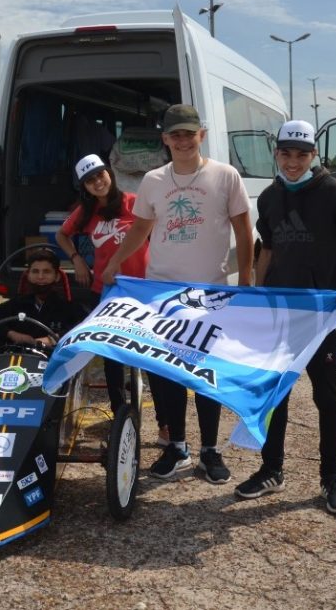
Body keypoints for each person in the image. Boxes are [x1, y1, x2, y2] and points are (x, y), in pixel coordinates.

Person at [102, 105, 253, 483]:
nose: (183, 141)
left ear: (201, 135)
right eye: (176, 135)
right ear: (165, 140)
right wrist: (116, 262)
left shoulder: (225, 175)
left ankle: (210, 451)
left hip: (210, 293)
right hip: (163, 292)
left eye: (190, 133)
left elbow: (244, 230)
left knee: (205, 374)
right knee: (167, 373)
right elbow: (140, 230)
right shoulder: (153, 180)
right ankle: (177, 448)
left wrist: (247, 278)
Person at [233, 119, 336, 516]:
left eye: (302, 154)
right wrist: (259, 294)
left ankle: (333, 480)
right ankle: (271, 469)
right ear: (277, 153)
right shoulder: (270, 197)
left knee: (327, 396)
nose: (293, 162)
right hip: (280, 313)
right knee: (275, 393)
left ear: (314, 155)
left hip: (321, 316)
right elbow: (269, 249)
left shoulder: (334, 192)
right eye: (286, 154)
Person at [56, 154, 150, 415]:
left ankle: (165, 422)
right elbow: (62, 234)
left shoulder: (134, 202)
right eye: (89, 180)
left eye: (100, 175)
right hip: (108, 290)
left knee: (147, 353)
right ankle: (119, 409)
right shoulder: (86, 212)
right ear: (84, 187)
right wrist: (76, 259)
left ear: (109, 173)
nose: (97, 182)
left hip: (142, 290)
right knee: (112, 353)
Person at [0, 248, 86, 354]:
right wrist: (11, 334)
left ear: (56, 276)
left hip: (53, 364)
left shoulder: (68, 308)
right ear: (28, 275)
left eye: (46, 272)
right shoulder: (17, 304)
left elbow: (86, 326)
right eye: (35, 271)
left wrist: (52, 339)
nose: (40, 277)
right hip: (16, 362)